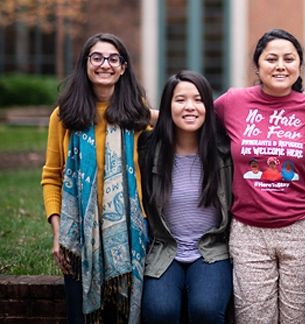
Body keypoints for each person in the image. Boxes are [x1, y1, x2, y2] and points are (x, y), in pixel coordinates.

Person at [213, 29, 305, 323]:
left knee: (298, 318)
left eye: (289, 59)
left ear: (299, 67)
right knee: (253, 318)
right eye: (272, 58)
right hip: (248, 231)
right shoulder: (232, 102)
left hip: (303, 226)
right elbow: (189, 118)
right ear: (257, 65)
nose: (280, 65)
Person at [41, 33, 150, 323]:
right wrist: (57, 232)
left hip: (129, 233)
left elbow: (179, 124)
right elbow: (51, 176)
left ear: (123, 67)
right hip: (77, 235)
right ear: (85, 64)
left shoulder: (136, 115)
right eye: (97, 57)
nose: (106, 64)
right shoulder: (63, 116)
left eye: (114, 59)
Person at [138, 71, 233, 323]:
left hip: (211, 249)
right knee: (159, 311)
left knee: (206, 309)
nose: (190, 107)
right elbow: (124, 113)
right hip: (165, 247)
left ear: (208, 106)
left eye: (198, 99)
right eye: (180, 100)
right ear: (167, 106)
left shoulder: (224, 151)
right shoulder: (149, 149)